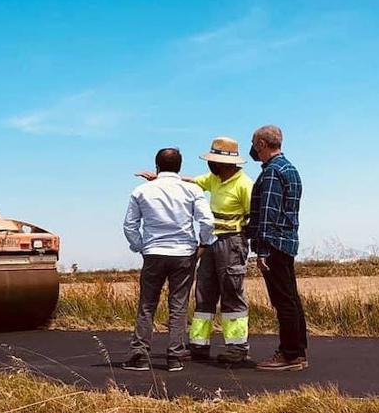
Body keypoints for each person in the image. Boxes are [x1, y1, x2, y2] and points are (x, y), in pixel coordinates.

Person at [142, 137, 254, 364]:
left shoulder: (244, 184)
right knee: (204, 292)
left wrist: (243, 243)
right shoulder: (214, 179)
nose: (209, 164)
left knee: (232, 294)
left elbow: (253, 217)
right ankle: (199, 345)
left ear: (225, 163)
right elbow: (192, 182)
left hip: (232, 242)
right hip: (210, 242)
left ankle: (236, 348)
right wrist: (163, 179)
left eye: (213, 160)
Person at [122, 148, 215, 372]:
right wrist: (203, 243)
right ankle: (174, 356)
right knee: (178, 306)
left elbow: (130, 225)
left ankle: (140, 355)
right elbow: (207, 221)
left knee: (147, 305)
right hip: (183, 252)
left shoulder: (141, 191)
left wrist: (140, 246)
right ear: (180, 167)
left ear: (156, 166)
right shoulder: (192, 190)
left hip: (154, 252)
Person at [245, 125, 307, 371]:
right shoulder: (290, 169)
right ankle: (298, 350)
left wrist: (262, 250)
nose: (253, 148)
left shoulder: (271, 172)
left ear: (261, 144)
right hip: (288, 241)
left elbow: (268, 212)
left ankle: (289, 354)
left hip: (274, 245)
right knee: (291, 298)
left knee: (282, 301)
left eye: (253, 143)